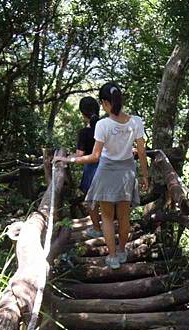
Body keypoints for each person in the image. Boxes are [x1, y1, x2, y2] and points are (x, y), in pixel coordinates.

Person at [54, 82, 149, 269]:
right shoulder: (136, 121)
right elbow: (142, 151)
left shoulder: (103, 125)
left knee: (106, 217)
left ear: (105, 102)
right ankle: (122, 251)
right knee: (124, 217)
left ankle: (112, 257)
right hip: (127, 172)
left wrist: (68, 161)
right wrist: (145, 176)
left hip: (106, 172)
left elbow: (95, 156)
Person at [76, 96, 103, 238]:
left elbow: (79, 155)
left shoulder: (84, 133)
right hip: (108, 167)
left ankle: (97, 228)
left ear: (82, 113)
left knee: (91, 200)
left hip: (92, 170)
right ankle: (109, 227)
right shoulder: (105, 127)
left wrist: (66, 158)